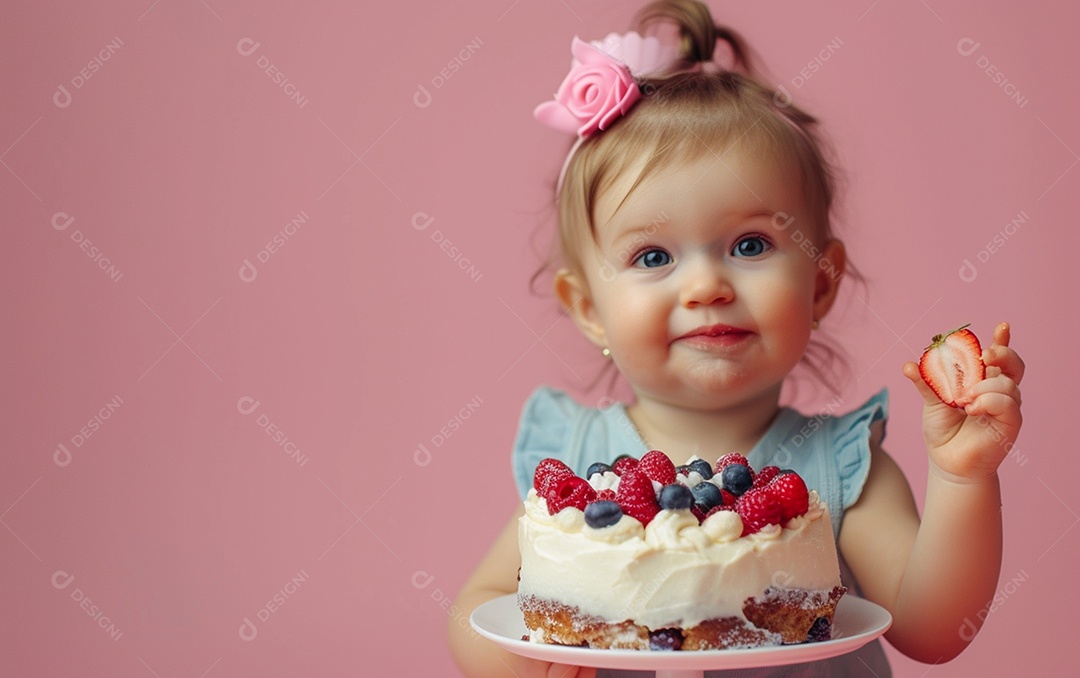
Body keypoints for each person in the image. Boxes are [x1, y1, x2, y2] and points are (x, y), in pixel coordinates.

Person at [448, 1, 1025, 675]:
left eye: (750, 244)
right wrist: (514, 663)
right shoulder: (575, 465)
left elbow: (934, 629)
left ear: (818, 284)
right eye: (654, 257)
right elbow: (478, 606)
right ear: (589, 308)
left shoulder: (839, 470)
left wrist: (963, 477)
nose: (706, 287)